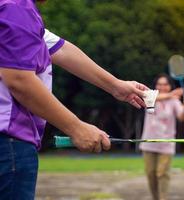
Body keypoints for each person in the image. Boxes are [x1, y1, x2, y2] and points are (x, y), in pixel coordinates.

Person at [0, 0, 148, 199]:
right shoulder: (16, 6)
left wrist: (116, 86)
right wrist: (75, 128)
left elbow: (60, 49)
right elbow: (19, 80)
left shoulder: (17, 10)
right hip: (8, 143)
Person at [139, 73, 184, 200]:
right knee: (151, 174)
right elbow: (151, 97)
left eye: (165, 84)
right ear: (155, 86)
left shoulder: (174, 101)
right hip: (148, 142)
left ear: (170, 86)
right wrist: (172, 94)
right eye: (159, 84)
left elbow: (181, 117)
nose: (162, 86)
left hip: (167, 143)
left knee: (162, 173)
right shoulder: (150, 96)